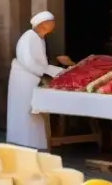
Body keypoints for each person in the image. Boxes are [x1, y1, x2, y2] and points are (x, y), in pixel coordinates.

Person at [7, 11, 68, 148]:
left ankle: (35, 142)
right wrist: (52, 72)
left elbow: (41, 64)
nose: (53, 25)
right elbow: (30, 62)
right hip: (25, 79)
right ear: (42, 24)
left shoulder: (39, 38)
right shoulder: (30, 37)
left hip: (31, 77)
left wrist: (57, 71)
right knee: (26, 110)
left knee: (31, 111)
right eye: (50, 22)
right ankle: (26, 142)